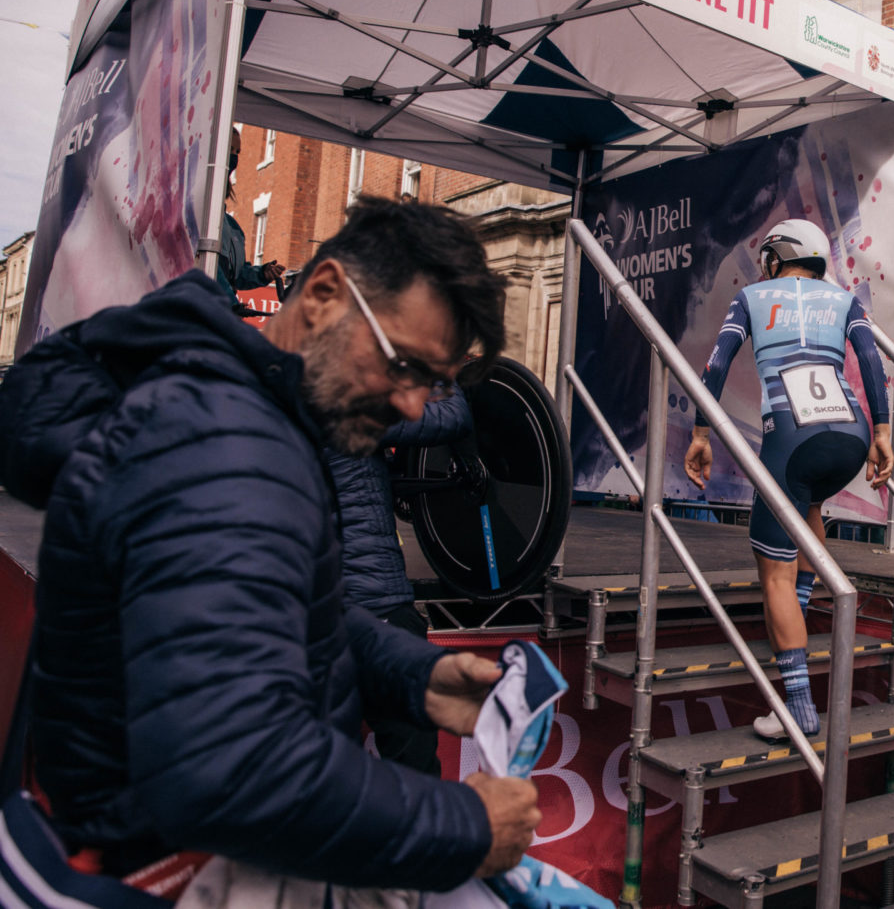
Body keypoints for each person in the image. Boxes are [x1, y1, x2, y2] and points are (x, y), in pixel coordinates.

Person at [0, 198, 540, 890]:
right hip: (162, 872)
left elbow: (253, 611)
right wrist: (467, 823)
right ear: (321, 295)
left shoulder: (248, 416)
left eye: (432, 383)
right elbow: (232, 768)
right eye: (403, 364)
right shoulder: (224, 443)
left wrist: (410, 674)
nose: (412, 405)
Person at [683, 219, 893, 741]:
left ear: (778, 255)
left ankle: (796, 707)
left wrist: (701, 434)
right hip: (850, 433)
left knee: (771, 573)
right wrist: (883, 434)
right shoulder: (844, 300)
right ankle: (798, 609)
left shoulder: (752, 296)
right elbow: (870, 359)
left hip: (791, 436)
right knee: (809, 505)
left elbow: (715, 365)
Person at [326, 388, 473, 774]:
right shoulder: (347, 403)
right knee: (414, 767)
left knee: (332, 774)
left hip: (316, 620)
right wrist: (447, 378)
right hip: (379, 609)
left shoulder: (264, 411)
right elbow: (452, 417)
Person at [219, 127, 285, 301]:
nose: (234, 156)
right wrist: (230, 304)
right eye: (230, 149)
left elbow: (238, 276)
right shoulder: (199, 216)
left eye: (237, 151)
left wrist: (263, 274)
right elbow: (211, 273)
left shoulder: (233, 228)